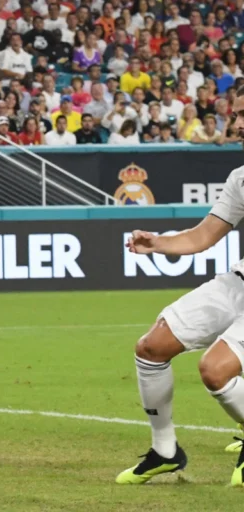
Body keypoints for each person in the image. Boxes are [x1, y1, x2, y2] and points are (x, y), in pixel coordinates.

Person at [116, 86, 244, 487]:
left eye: (243, 114)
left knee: (215, 369)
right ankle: (165, 451)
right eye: (235, 114)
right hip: (239, 282)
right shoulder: (241, 178)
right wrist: (159, 242)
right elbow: (204, 235)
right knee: (151, 347)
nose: (236, 123)